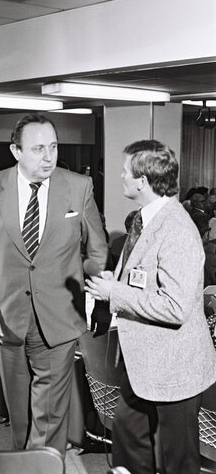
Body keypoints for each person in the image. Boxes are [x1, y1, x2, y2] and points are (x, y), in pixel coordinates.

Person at [0, 113, 108, 456]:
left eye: (53, 147)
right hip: (5, 317)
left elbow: (97, 249)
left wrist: (89, 290)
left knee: (49, 416)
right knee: (20, 416)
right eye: (38, 149)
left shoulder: (78, 186)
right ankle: (21, 464)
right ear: (16, 151)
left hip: (58, 317)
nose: (49, 157)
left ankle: (42, 468)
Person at [85, 140, 216, 474]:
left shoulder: (177, 229)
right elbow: (144, 277)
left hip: (175, 366)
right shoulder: (144, 220)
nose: (120, 176)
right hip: (146, 363)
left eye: (125, 171)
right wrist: (114, 282)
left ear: (142, 181)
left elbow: (175, 307)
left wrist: (116, 292)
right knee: (129, 434)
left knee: (177, 458)